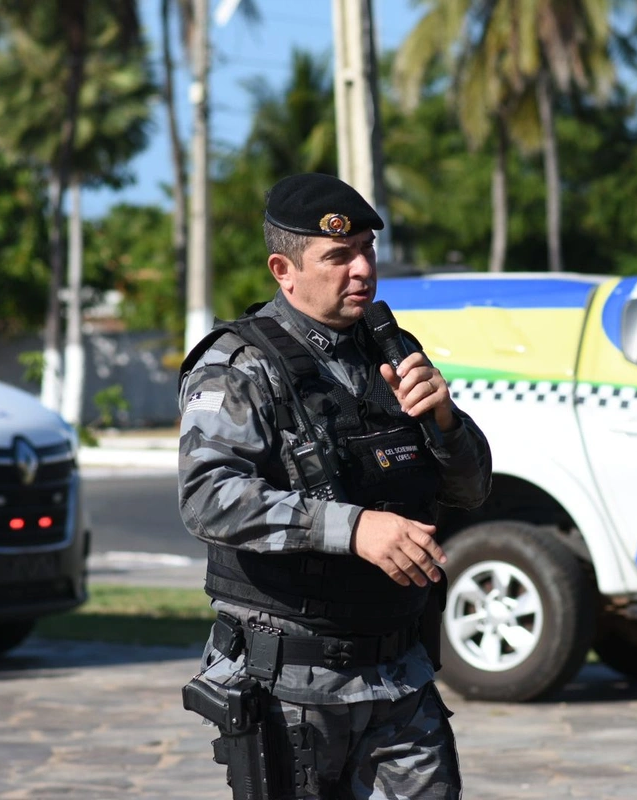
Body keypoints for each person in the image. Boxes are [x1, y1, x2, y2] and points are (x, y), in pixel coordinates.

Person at [176, 172, 492, 799]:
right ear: (283, 270)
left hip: (399, 677)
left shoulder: (390, 350)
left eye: (368, 251)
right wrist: (353, 529)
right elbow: (207, 499)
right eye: (339, 257)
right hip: (293, 687)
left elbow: (473, 489)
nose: (362, 270)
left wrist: (446, 423)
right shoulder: (240, 365)